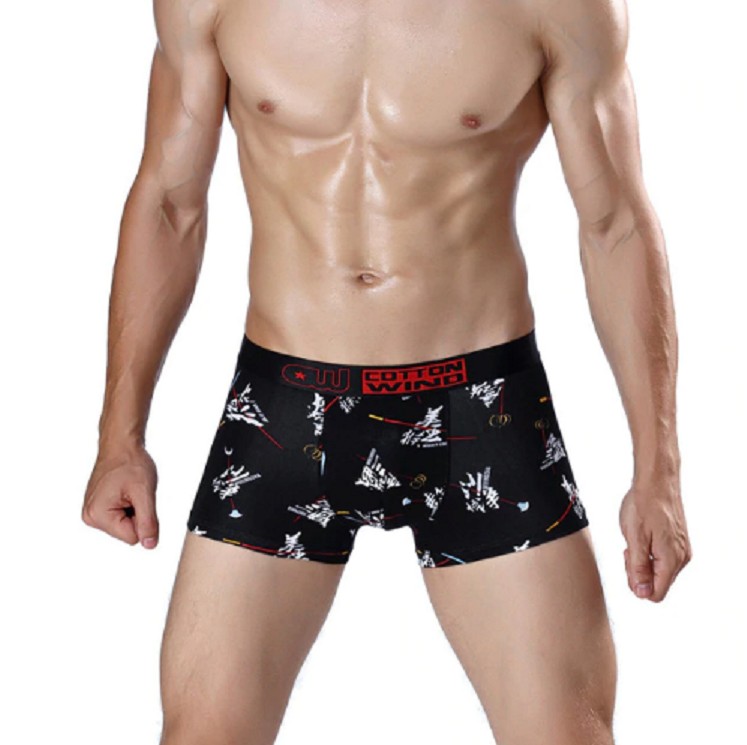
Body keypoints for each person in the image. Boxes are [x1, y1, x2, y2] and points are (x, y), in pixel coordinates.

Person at [82, 0, 693, 742]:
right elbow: (169, 203)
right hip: (285, 407)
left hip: (478, 405)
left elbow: (616, 224)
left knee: (566, 733)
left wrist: (658, 471)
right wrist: (120, 436)